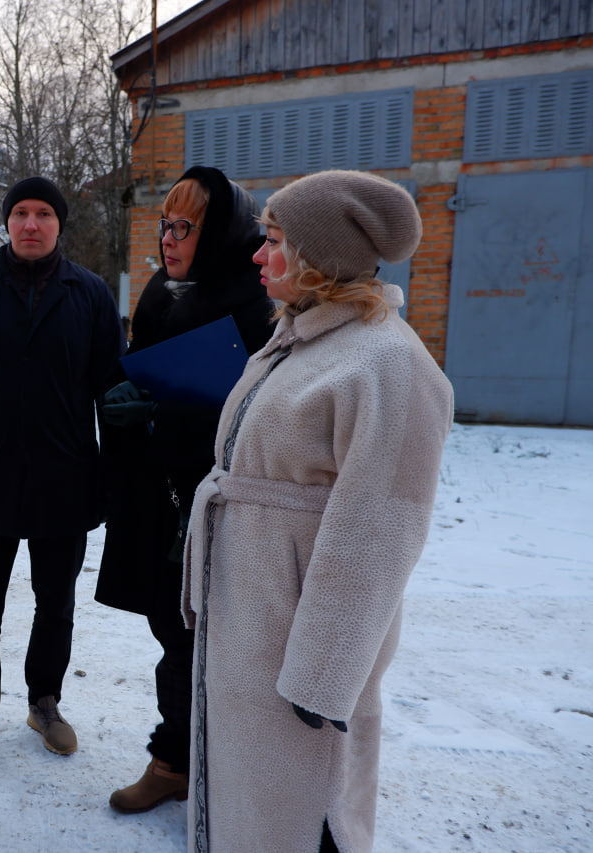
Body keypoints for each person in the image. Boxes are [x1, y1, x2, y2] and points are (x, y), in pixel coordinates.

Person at [181, 170, 454, 852]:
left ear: (317, 253)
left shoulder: (388, 364)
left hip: (295, 647)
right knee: (242, 800)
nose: (256, 254)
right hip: (248, 623)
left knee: (301, 814)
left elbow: (380, 532)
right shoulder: (298, 339)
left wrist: (324, 675)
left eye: (272, 240)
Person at [0, 176, 124, 774]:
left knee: (55, 603)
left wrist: (113, 480)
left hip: (65, 480)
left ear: (59, 225)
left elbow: (112, 394)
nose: (31, 224)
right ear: (6, 224)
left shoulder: (90, 296)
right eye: (21, 214)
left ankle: (45, 702)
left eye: (43, 214)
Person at [95, 166, 275, 813]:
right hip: (157, 501)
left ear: (220, 231)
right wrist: (115, 401)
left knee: (217, 647)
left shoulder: (255, 305)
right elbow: (140, 370)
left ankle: (216, 771)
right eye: (165, 225)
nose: (169, 239)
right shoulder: (158, 294)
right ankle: (175, 760)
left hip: (217, 511)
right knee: (171, 633)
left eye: (185, 226)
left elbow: (251, 417)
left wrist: (157, 415)